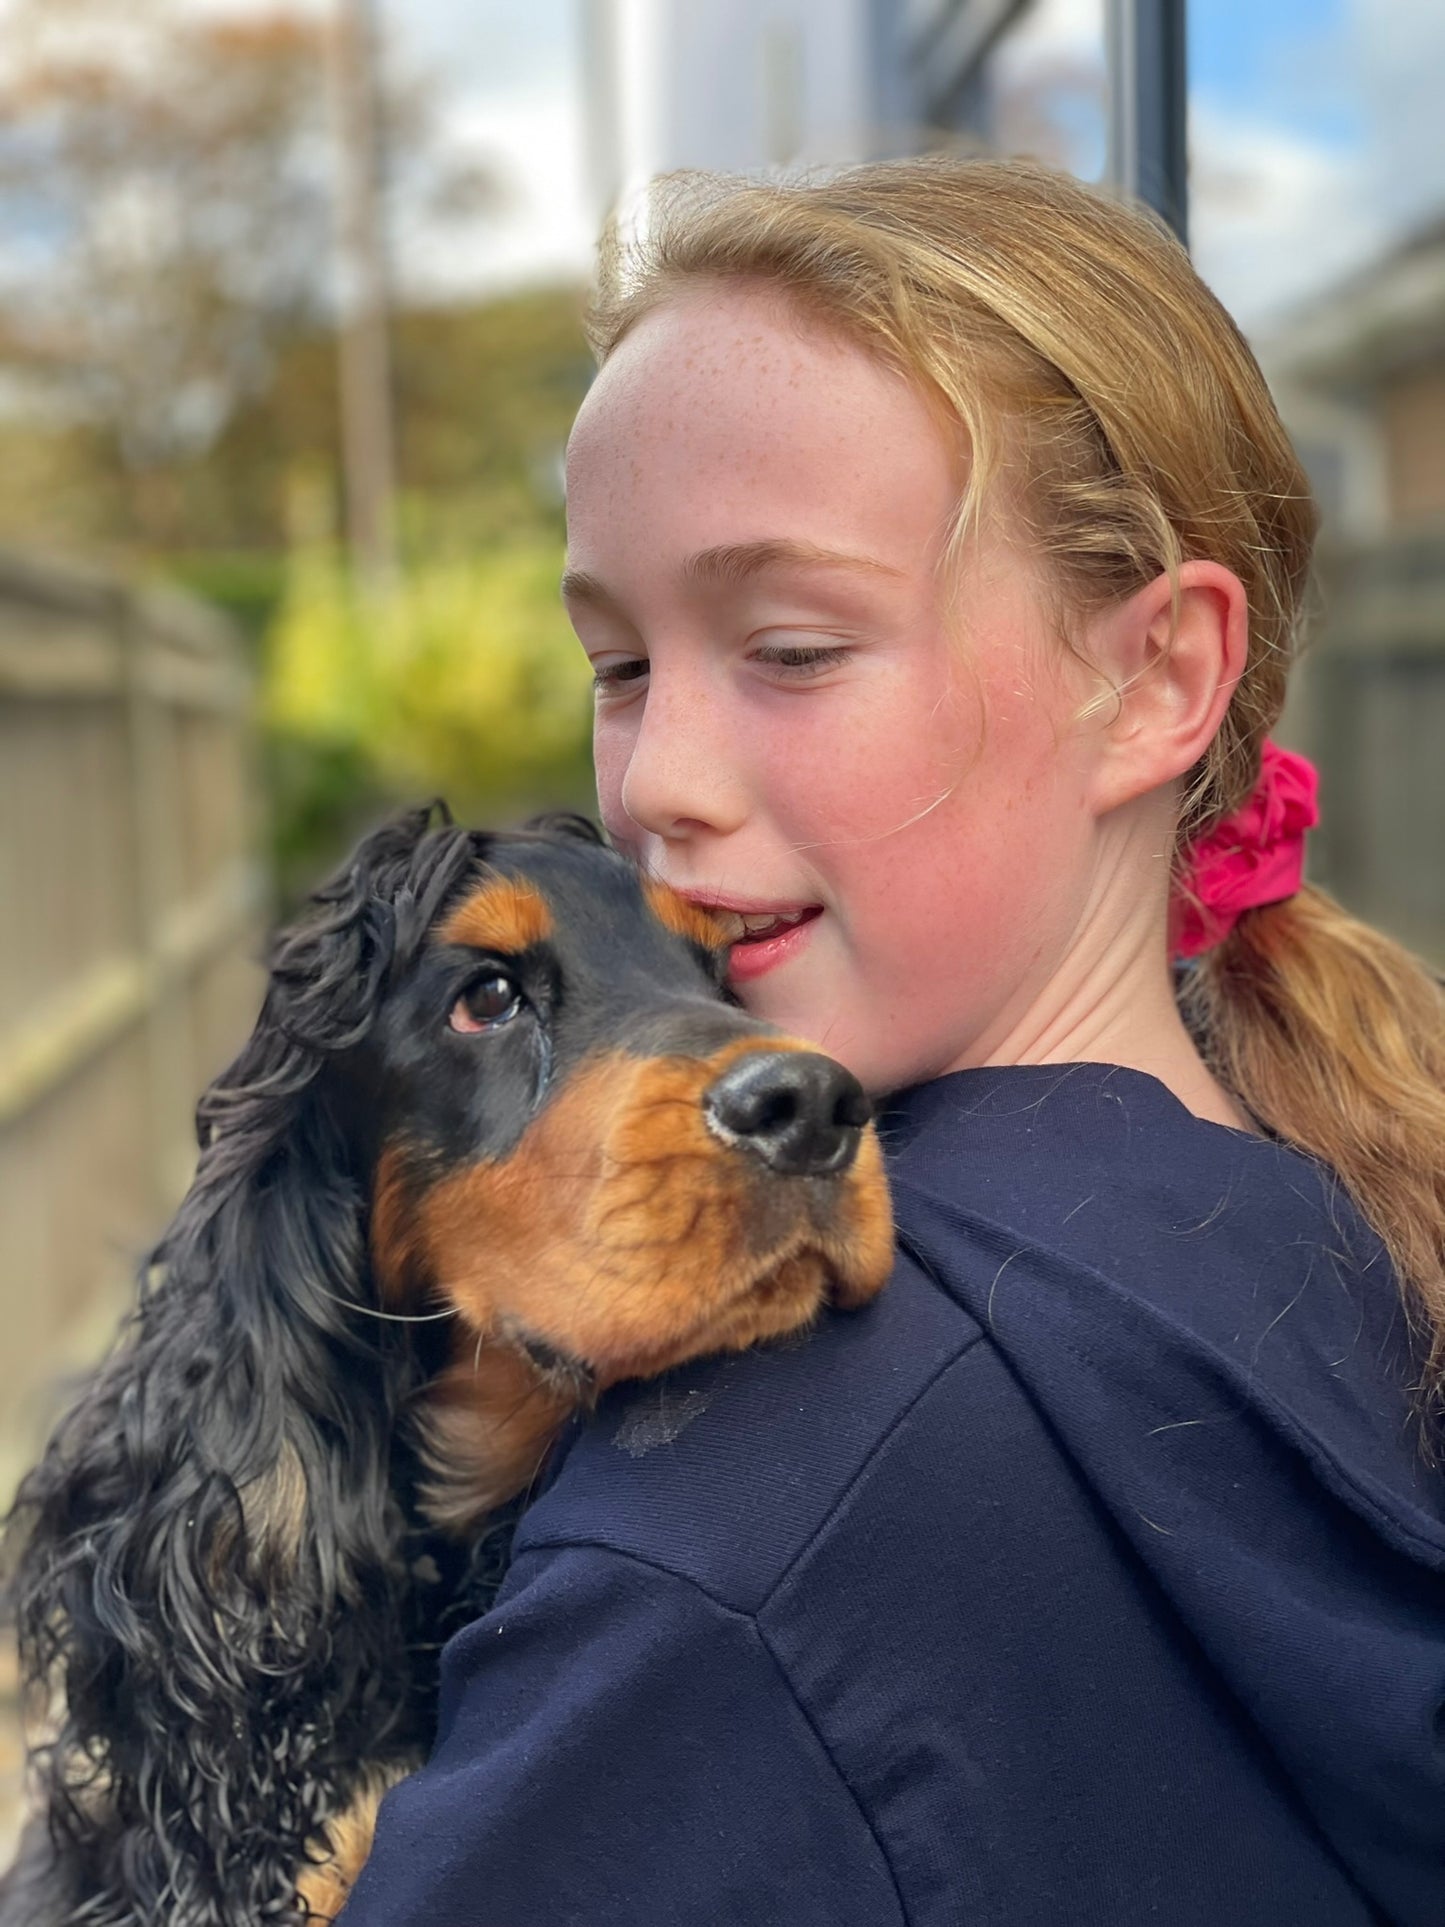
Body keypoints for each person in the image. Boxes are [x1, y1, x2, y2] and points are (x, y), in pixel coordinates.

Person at [337, 159, 1445, 1925]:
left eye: (788, 646)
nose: (655, 787)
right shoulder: (1319, 1198)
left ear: (1157, 679)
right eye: (619, 665)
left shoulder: (734, 1523)